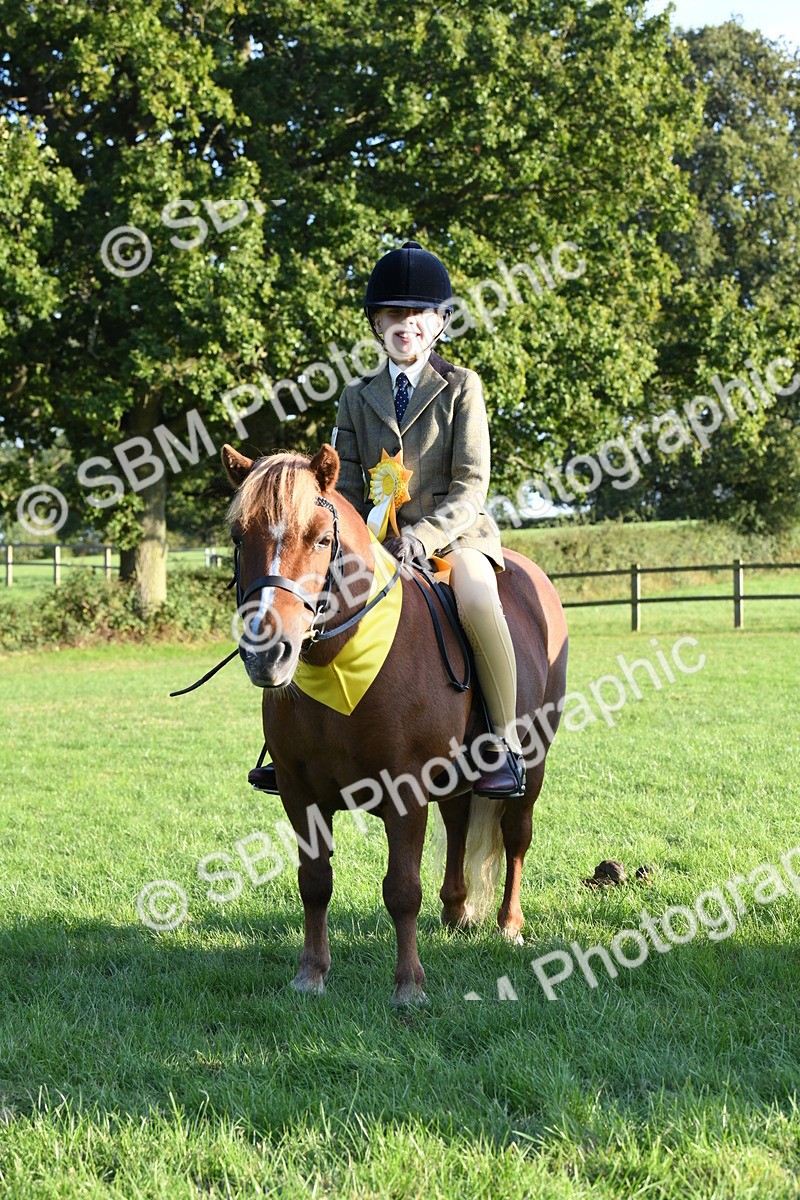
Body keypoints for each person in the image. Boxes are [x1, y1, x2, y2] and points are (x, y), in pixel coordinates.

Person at [331, 240, 525, 798]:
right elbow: (343, 486)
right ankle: (294, 749)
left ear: (439, 322)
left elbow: (471, 486)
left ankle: (505, 746)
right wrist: (358, 541)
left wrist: (422, 534)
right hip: (376, 543)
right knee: (309, 598)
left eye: (418, 313)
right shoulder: (355, 397)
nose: (405, 323)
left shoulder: (463, 386)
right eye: (393, 313)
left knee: (477, 600)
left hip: (454, 538)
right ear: (377, 324)